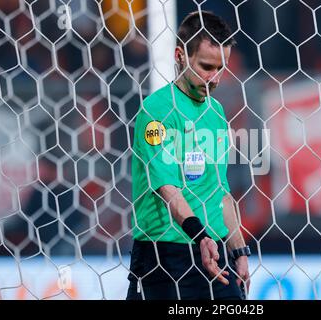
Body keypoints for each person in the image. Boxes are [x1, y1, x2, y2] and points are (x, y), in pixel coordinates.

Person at [126, 11, 251, 300]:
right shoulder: (157, 111)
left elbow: (220, 192)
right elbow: (168, 189)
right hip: (166, 254)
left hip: (214, 250)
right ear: (180, 55)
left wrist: (239, 250)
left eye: (222, 68)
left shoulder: (217, 114)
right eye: (207, 67)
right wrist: (200, 236)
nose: (215, 79)